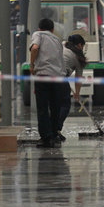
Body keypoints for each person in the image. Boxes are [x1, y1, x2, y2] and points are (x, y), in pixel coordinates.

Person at [30, 18, 65, 148]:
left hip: (43, 76)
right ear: (52, 29)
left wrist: (32, 65)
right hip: (57, 77)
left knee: (43, 108)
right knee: (55, 107)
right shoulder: (57, 40)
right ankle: (54, 135)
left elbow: (34, 48)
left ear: (40, 28)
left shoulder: (38, 34)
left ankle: (46, 138)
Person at [57, 34, 87, 141]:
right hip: (61, 78)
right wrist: (77, 94)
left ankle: (49, 131)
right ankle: (57, 129)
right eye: (83, 46)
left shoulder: (62, 46)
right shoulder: (78, 57)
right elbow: (78, 80)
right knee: (65, 105)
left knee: (53, 104)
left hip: (49, 76)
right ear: (79, 45)